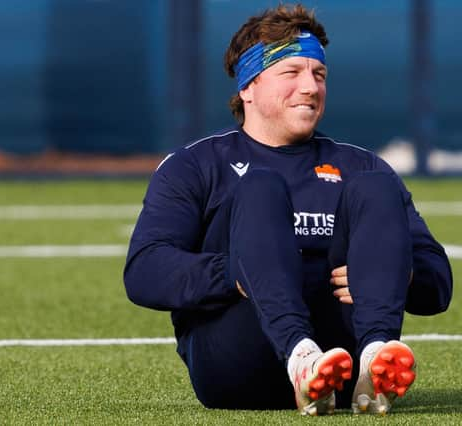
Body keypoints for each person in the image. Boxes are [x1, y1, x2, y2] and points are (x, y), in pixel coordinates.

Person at [123, 3, 453, 416]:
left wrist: (394, 273)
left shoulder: (362, 166)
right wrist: (240, 274)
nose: (310, 87)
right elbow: (144, 271)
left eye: (319, 75)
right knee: (260, 186)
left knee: (376, 186)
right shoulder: (195, 165)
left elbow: (438, 280)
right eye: (291, 73)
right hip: (239, 363)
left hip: (343, 362)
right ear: (248, 87)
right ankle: (300, 359)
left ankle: (374, 360)